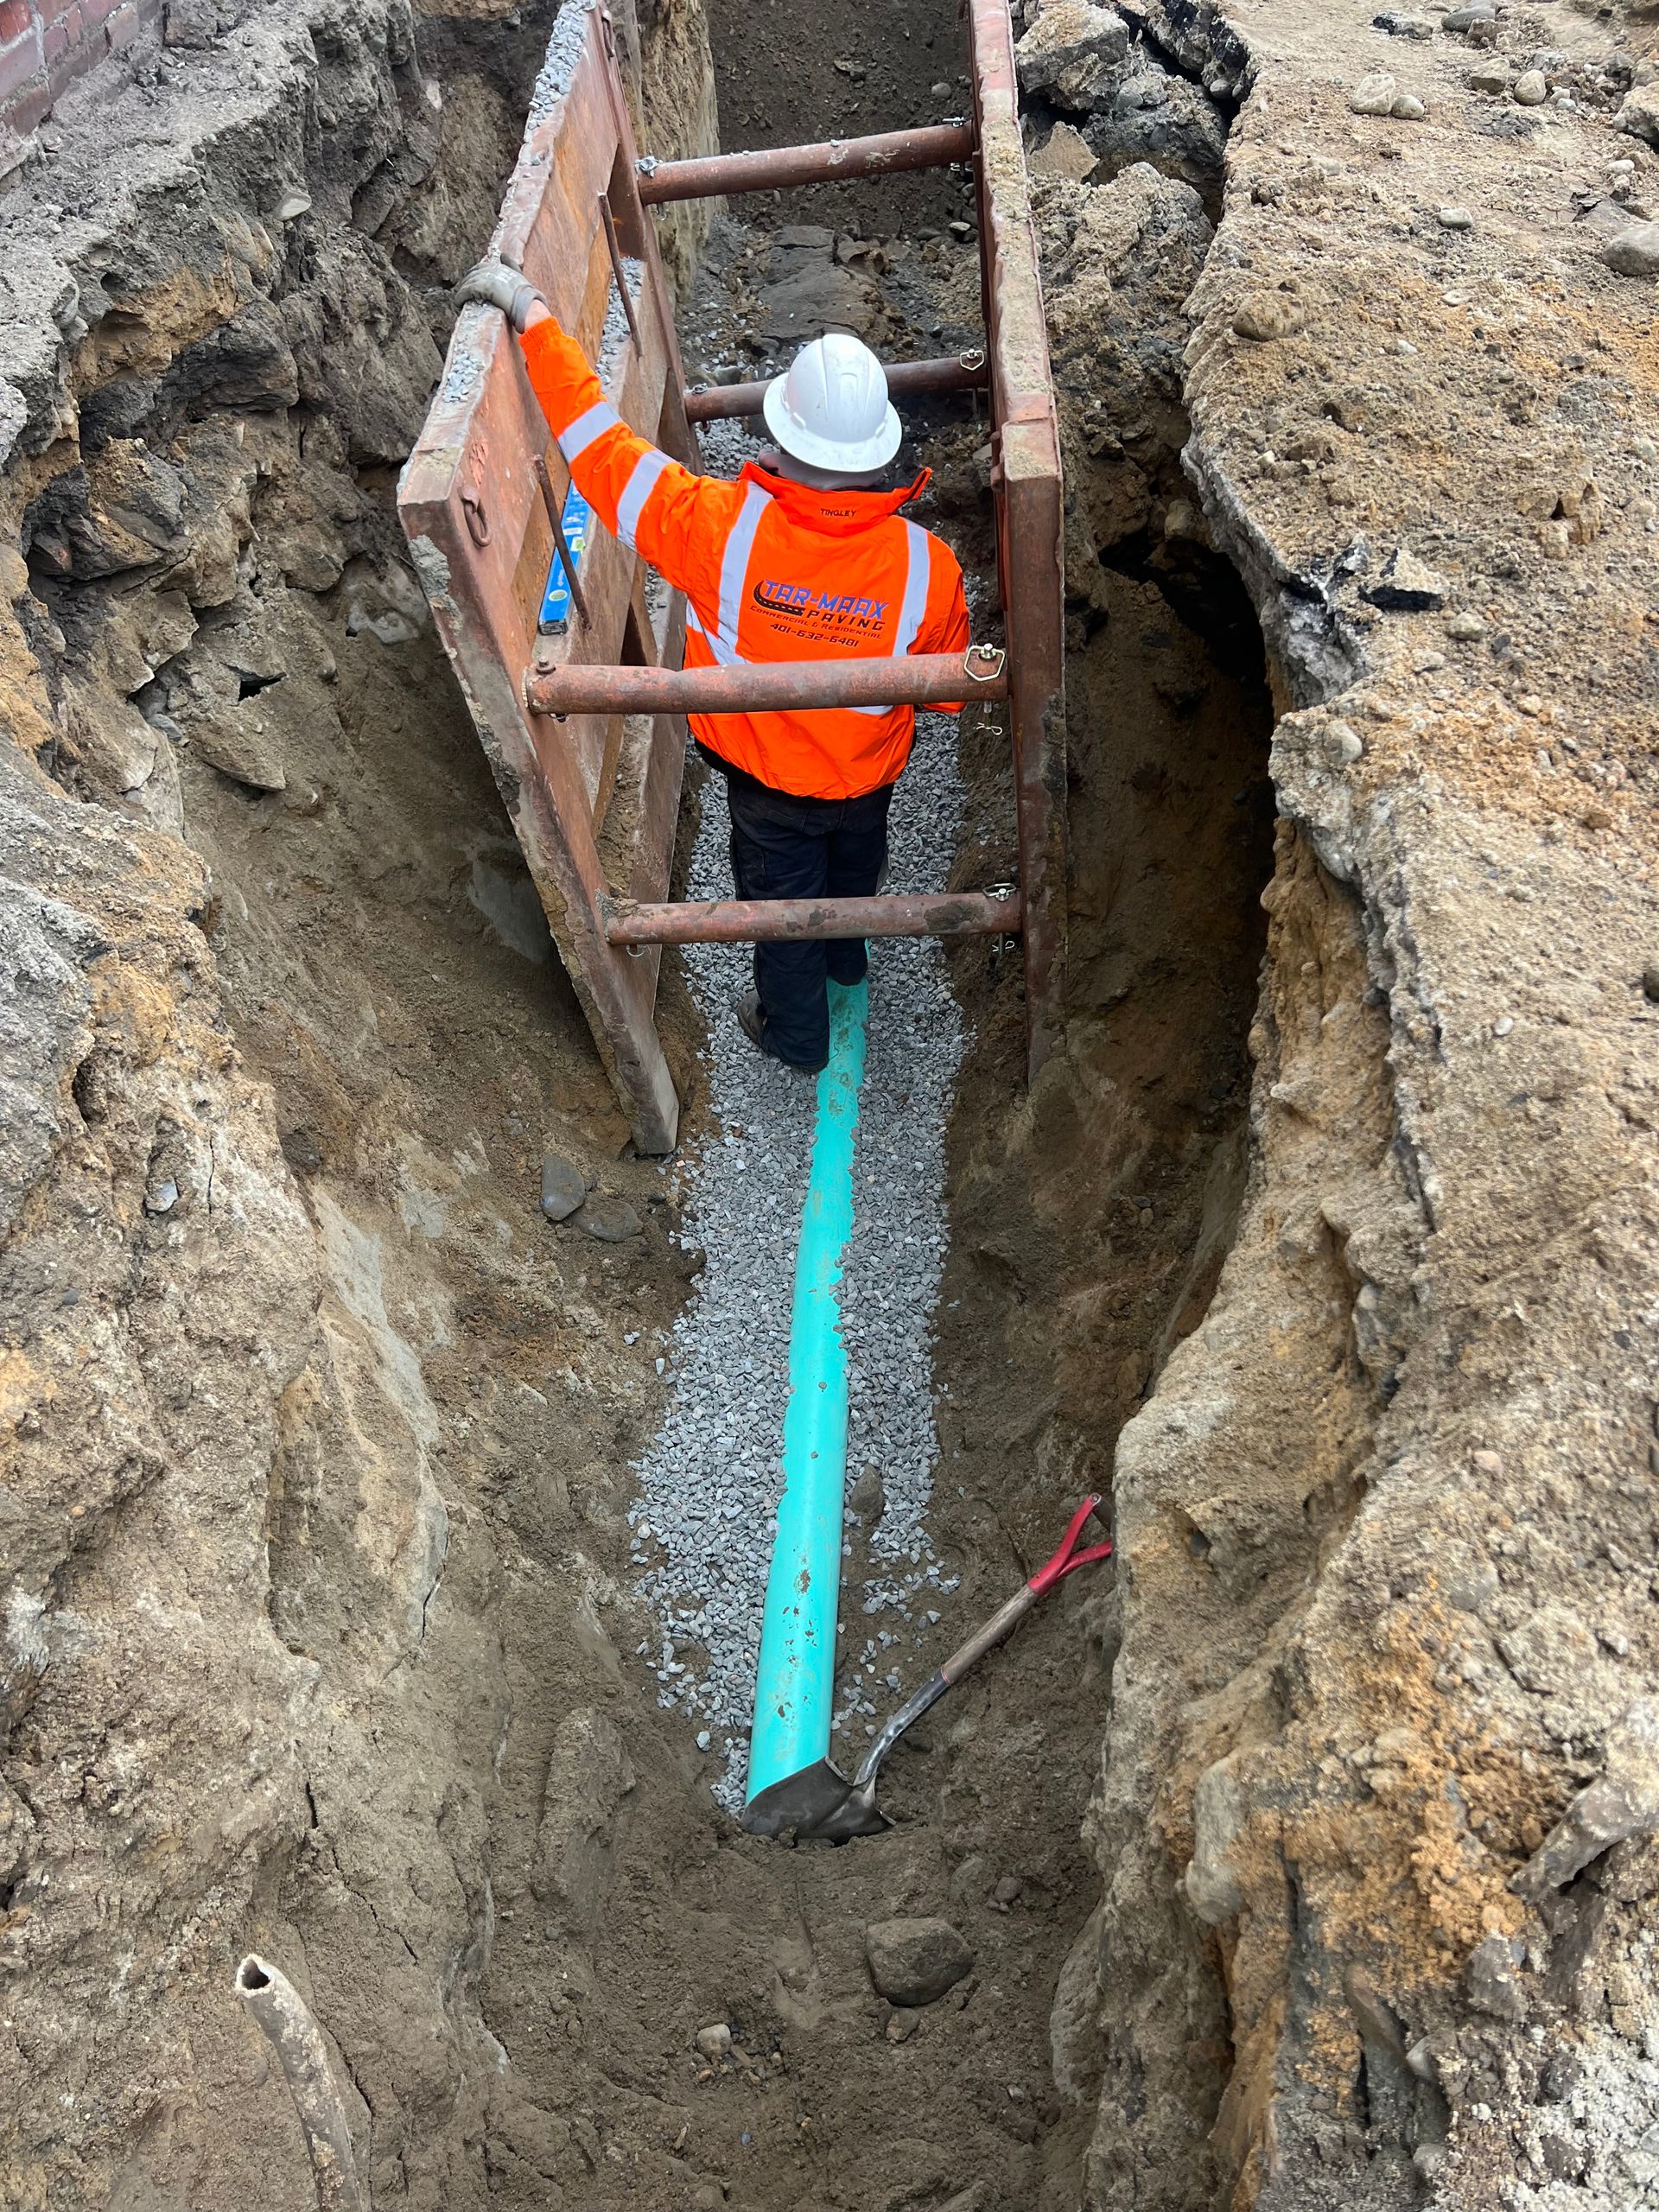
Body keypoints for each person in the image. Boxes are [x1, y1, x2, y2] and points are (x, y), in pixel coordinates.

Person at [456, 258, 971, 1076]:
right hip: (868, 782)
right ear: (880, 453)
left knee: (778, 916)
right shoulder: (927, 565)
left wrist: (533, 315)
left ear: (783, 435)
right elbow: (945, 694)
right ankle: (850, 961)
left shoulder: (716, 528)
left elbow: (600, 452)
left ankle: (797, 1038)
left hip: (766, 792)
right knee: (852, 872)